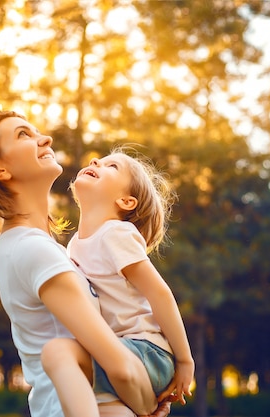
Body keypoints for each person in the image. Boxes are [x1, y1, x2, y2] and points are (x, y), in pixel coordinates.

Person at [0, 110, 171, 417]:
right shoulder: (33, 250)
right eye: (23, 135)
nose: (46, 138)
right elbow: (121, 369)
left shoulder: (38, 248)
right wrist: (152, 403)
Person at [41, 147, 194, 416]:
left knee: (61, 354)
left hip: (147, 350)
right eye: (99, 160)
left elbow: (160, 294)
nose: (96, 160)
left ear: (126, 201)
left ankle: (143, 404)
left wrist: (184, 359)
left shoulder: (116, 234)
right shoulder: (75, 245)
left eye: (112, 167)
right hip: (119, 350)